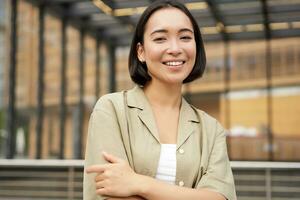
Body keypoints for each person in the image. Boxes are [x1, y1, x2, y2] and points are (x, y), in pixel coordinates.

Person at [84, 0, 236, 199]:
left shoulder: (210, 129)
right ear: (141, 52)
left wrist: (139, 183)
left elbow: (220, 197)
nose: (175, 48)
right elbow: (107, 192)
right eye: (160, 39)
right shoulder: (111, 109)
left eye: (184, 37)